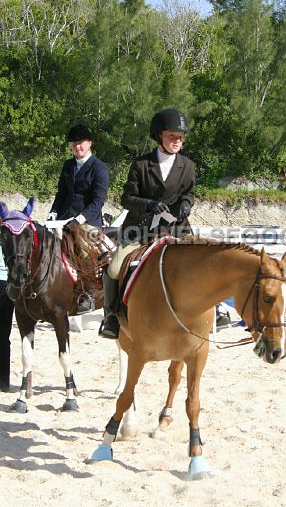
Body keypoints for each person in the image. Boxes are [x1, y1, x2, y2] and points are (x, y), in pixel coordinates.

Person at [99, 107, 195, 339]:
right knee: (113, 268)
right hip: (139, 229)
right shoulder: (141, 164)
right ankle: (111, 316)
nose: (177, 141)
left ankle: (217, 309)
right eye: (172, 136)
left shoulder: (188, 166)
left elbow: (190, 193)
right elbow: (126, 198)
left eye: (180, 137)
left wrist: (186, 204)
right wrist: (148, 204)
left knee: (202, 260)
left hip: (175, 227)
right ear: (159, 136)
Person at [47, 124, 109, 313]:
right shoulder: (68, 165)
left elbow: (98, 201)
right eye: (73, 144)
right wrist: (53, 213)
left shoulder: (99, 168)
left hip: (88, 221)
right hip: (64, 219)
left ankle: (88, 292)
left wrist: (80, 219)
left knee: (83, 250)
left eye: (80, 143)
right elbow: (61, 194)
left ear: (89, 143)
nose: (77, 147)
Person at [0, 201, 15, 392]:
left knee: (3, 336)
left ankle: (3, 381)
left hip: (4, 285)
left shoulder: (10, 238)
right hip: (6, 285)